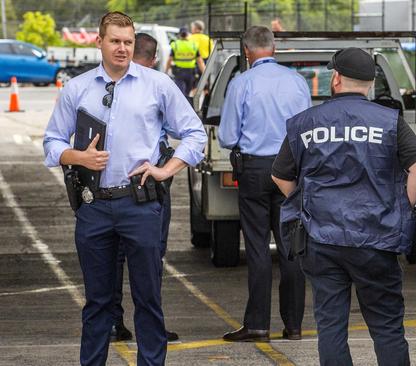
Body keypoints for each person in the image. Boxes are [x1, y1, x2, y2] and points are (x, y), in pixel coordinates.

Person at [43, 11, 207, 365]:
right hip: (94, 206)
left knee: (148, 298)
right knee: (98, 302)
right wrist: (78, 157)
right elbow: (51, 143)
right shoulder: (77, 88)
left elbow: (196, 135)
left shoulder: (158, 85)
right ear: (99, 42)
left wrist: (166, 170)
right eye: (115, 41)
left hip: (140, 205)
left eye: (128, 42)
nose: (122, 48)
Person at [271, 47, 416, 366]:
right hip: (376, 238)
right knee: (386, 329)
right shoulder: (389, 121)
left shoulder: (305, 122)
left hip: (322, 238)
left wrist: (308, 203)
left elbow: (279, 174)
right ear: (370, 83)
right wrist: (400, 206)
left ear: (336, 79)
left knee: (330, 327)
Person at [218, 25, 310, 342]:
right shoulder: (297, 83)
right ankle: (294, 325)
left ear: (246, 51)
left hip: (255, 170)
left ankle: (257, 324)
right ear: (275, 48)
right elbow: (306, 132)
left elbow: (228, 136)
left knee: (257, 249)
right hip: (291, 170)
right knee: (291, 248)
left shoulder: (241, 83)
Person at [109, 32, 179, 343]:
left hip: (107, 191)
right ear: (152, 60)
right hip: (148, 188)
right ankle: (151, 327)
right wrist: (165, 170)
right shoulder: (158, 85)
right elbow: (188, 131)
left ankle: (113, 322)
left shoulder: (108, 83)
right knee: (151, 260)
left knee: (110, 258)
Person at [165, 26, 205, 97]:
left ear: (179, 35)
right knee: (187, 93)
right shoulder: (193, 45)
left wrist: (166, 72)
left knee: (180, 93)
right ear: (187, 34)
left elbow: (169, 60)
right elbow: (200, 62)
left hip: (179, 72)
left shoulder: (176, 45)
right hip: (190, 73)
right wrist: (204, 74)